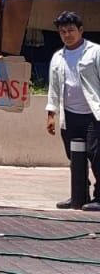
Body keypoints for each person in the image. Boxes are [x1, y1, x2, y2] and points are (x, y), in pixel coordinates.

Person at [47, 11, 100, 210]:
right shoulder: (57, 57)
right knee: (74, 156)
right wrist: (51, 114)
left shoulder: (95, 52)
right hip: (69, 115)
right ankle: (79, 194)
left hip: (93, 115)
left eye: (70, 30)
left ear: (81, 30)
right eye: (63, 32)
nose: (67, 35)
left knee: (96, 154)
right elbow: (53, 88)